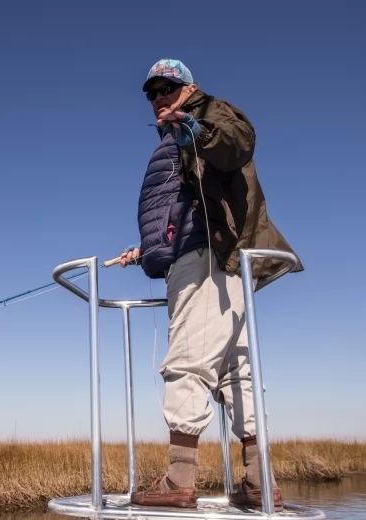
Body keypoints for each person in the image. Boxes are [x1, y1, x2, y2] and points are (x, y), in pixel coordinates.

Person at [115, 59, 303, 510]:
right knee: (238, 372)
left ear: (189, 87)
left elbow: (237, 144)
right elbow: (179, 209)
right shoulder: (175, 139)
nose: (159, 96)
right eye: (152, 91)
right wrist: (145, 248)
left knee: (186, 363)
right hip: (215, 261)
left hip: (208, 260)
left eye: (167, 87)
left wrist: (193, 131)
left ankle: (178, 481)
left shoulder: (206, 114)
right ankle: (259, 483)